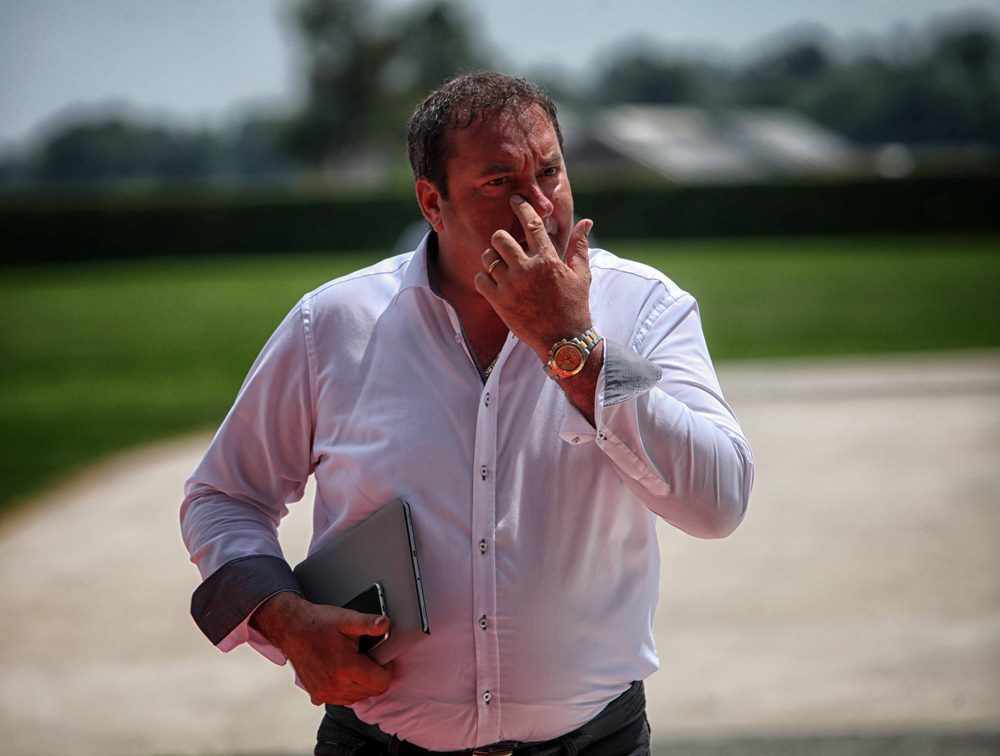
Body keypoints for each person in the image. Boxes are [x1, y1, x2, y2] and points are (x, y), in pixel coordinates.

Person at [181, 72, 753, 755]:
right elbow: (224, 496)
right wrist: (283, 617)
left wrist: (576, 348)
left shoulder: (646, 308)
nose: (538, 205)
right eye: (499, 182)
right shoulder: (331, 324)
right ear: (433, 202)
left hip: (595, 742)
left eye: (550, 172)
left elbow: (719, 504)